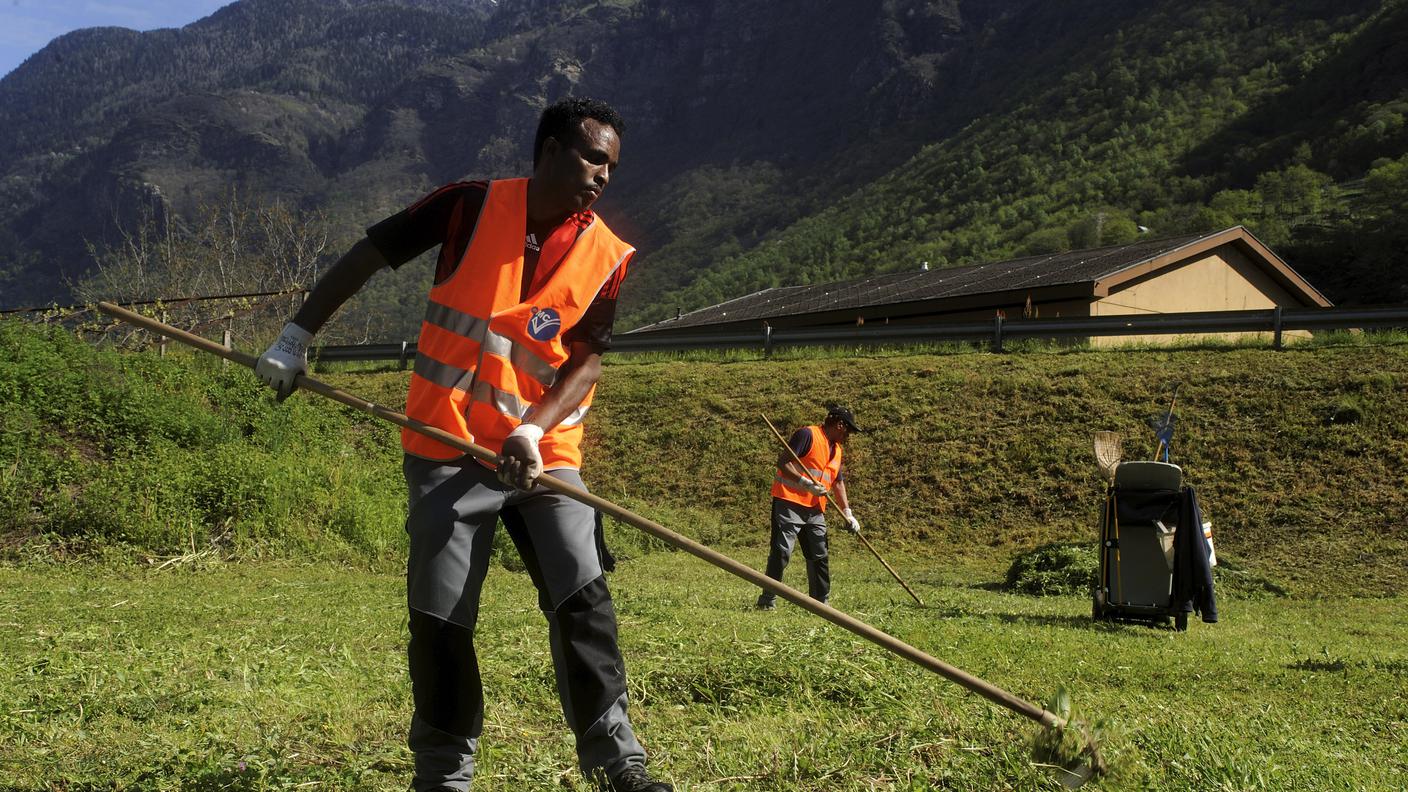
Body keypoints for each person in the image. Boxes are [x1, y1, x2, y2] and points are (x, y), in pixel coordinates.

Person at [253, 98, 671, 792]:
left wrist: (531, 428)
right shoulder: (469, 207)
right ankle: (444, 775)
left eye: (613, 166)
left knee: (583, 595)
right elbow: (370, 253)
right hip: (446, 447)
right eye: (594, 157)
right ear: (550, 151)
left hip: (544, 454)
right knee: (441, 617)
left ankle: (618, 762)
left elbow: (586, 361)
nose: (604, 175)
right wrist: (296, 336)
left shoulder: (607, 255)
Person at [756, 405, 863, 610]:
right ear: (840, 424)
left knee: (819, 554)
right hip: (789, 503)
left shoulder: (837, 450)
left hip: (815, 509)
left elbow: (837, 482)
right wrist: (805, 483)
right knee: (781, 552)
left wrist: (848, 513)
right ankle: (767, 600)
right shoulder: (807, 435)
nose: (849, 435)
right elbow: (783, 463)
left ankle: (820, 603)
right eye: (848, 430)